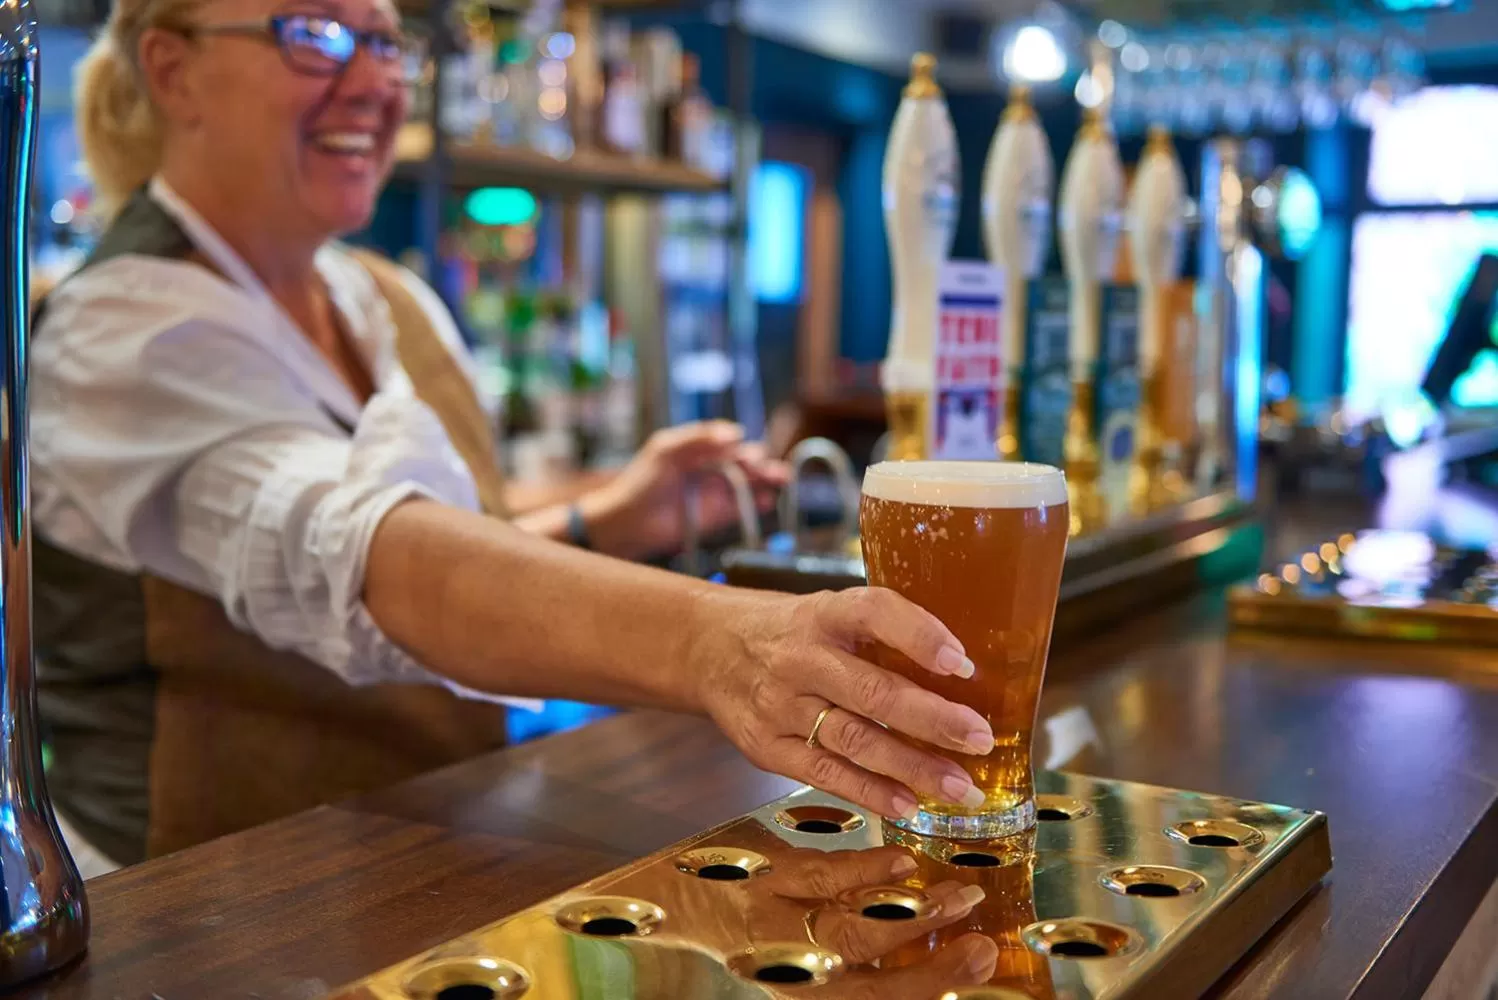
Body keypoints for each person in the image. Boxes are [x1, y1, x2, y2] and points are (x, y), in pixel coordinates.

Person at [33, 0, 997, 869]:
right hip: (207, 909)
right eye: (316, 32)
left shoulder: (381, 294)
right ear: (173, 68)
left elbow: (445, 521)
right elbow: (365, 552)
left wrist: (610, 513)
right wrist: (720, 645)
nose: (374, 81)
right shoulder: (127, 333)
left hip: (416, 850)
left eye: (384, 40)